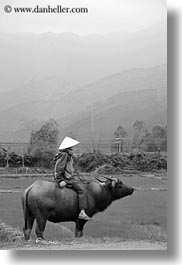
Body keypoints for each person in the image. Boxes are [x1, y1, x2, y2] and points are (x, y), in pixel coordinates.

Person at [54, 136, 92, 221]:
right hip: (67, 179)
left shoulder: (66, 155)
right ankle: (82, 212)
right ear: (68, 148)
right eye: (71, 148)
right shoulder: (65, 155)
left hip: (69, 177)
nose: (73, 149)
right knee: (82, 191)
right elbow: (59, 168)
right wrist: (60, 180)